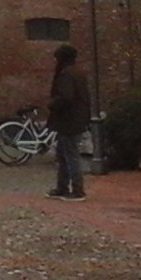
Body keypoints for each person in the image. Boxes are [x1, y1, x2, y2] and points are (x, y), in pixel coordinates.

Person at [46, 43, 91, 200]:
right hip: (76, 120)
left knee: (70, 156)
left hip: (68, 121)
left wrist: (52, 104)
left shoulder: (66, 75)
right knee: (63, 155)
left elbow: (66, 98)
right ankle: (62, 187)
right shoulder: (79, 73)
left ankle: (77, 190)